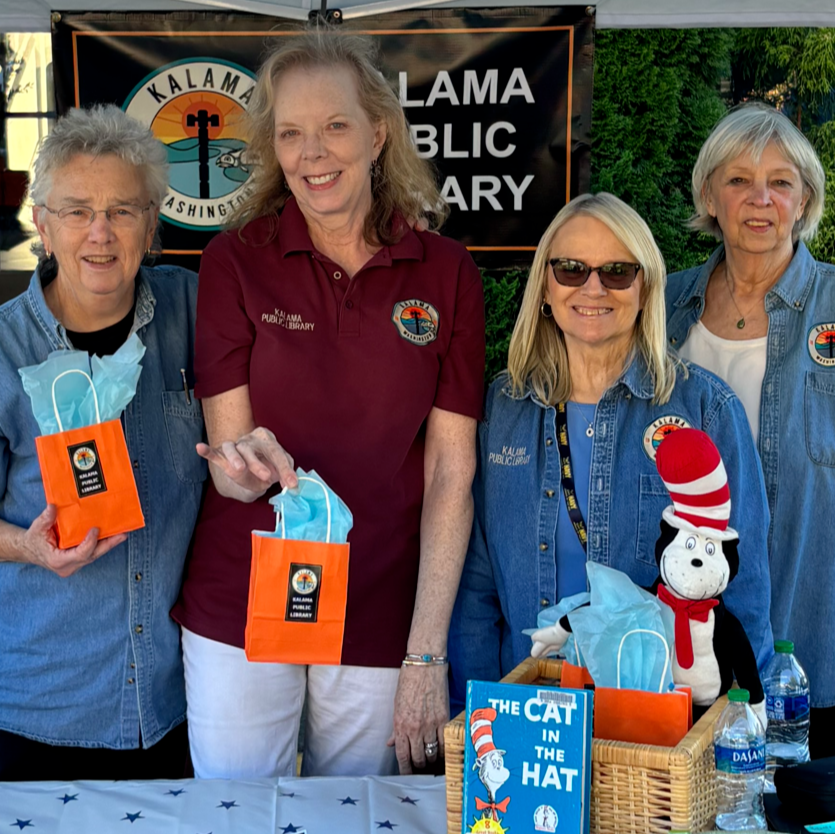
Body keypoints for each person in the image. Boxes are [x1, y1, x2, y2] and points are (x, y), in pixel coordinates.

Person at [171, 29, 485, 779]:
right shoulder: (234, 259)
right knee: (236, 817)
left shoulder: (445, 273)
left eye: (334, 126)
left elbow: (450, 475)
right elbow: (228, 458)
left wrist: (425, 650)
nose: (313, 153)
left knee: (364, 821)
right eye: (290, 133)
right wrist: (246, 468)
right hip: (241, 601)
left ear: (377, 132)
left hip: (380, 608)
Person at [448, 192, 774, 714]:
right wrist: (480, 717)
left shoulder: (706, 410)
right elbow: (476, 592)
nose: (593, 288)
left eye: (618, 271)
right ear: (545, 290)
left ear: (645, 288)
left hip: (655, 725)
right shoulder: (502, 409)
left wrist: (737, 742)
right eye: (571, 269)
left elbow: (744, 592)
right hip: (529, 720)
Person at [0, 105, 203, 779]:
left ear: (152, 224)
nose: (100, 233)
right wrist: (24, 545)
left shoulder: (193, 313)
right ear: (42, 222)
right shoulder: (3, 348)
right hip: (39, 706)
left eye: (122, 210)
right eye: (78, 209)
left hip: (172, 706)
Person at [665, 102, 834, 757]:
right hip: (684, 626)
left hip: (810, 625)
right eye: (737, 179)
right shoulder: (660, 304)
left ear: (804, 200)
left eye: (780, 182)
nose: (759, 198)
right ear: (709, 195)